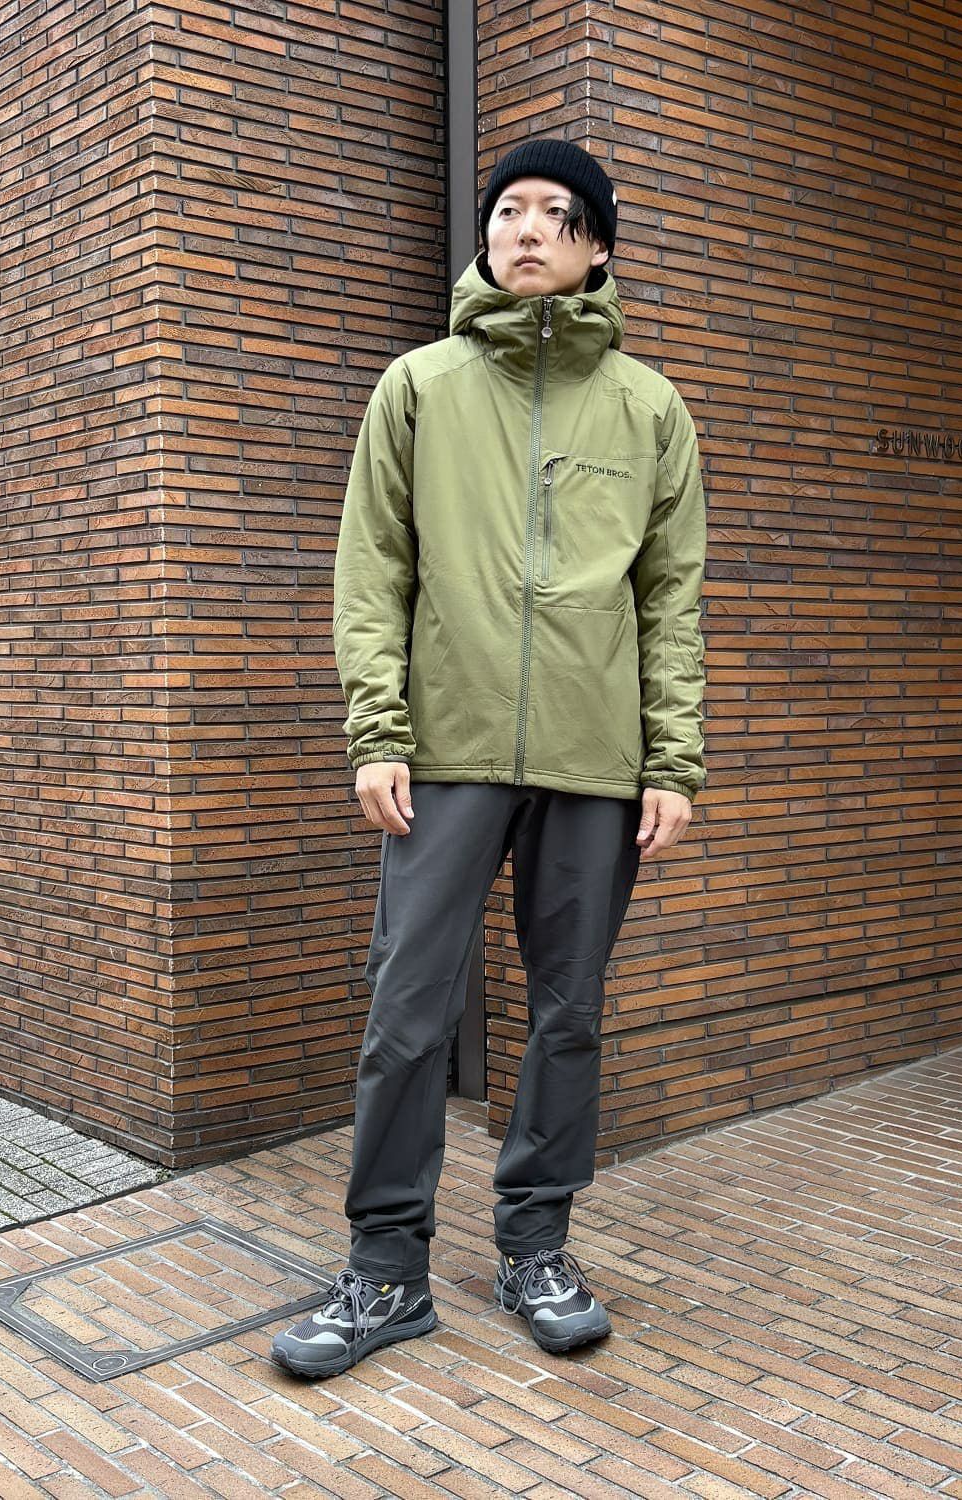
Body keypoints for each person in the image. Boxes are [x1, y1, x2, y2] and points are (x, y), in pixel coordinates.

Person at [270, 137, 707, 1379]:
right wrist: (376, 731)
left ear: (596, 247)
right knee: (405, 1009)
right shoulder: (418, 387)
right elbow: (372, 572)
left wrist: (670, 760)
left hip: (594, 760)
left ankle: (535, 1247)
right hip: (445, 748)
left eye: (555, 213)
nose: (524, 228)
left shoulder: (649, 408)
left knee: (568, 1014)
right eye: (507, 209)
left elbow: (670, 599)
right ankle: (384, 1270)